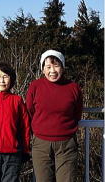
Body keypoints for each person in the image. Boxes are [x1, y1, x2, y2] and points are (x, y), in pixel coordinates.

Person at [26, 50, 83, 182]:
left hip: (67, 144)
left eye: (56, 65)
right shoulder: (35, 86)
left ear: (63, 67)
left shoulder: (73, 88)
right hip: (41, 144)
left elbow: (77, 114)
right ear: (42, 69)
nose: (52, 70)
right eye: (48, 67)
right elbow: (30, 111)